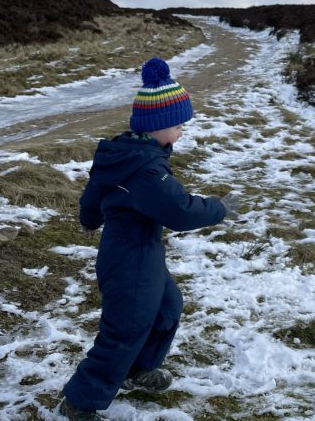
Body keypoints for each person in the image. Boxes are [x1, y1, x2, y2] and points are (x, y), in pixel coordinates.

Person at [58, 57, 239, 421]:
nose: (182, 132)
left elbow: (95, 190)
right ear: (157, 127)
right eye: (178, 125)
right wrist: (219, 208)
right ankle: (80, 400)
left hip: (143, 253)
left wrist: (89, 217)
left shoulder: (126, 153)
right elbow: (179, 210)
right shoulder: (144, 169)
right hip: (130, 260)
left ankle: (137, 369)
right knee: (124, 328)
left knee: (167, 308)